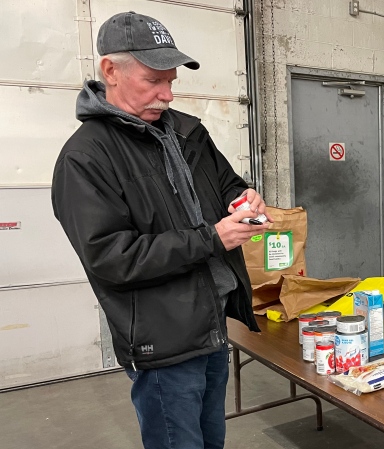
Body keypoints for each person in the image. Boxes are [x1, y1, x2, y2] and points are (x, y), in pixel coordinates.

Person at [51, 12, 271, 449]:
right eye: (153, 80)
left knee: (211, 440)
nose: (167, 95)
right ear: (110, 71)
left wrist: (246, 197)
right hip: (163, 341)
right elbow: (111, 257)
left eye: (171, 81)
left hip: (210, 324)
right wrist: (212, 238)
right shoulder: (86, 157)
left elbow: (227, 184)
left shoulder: (187, 132)